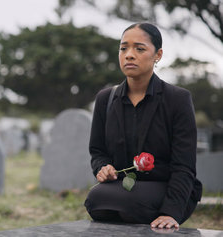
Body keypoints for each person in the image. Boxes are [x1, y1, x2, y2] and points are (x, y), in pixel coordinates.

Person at [84, 22, 202, 229]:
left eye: (139, 49)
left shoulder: (178, 99)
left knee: (131, 203)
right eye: (123, 48)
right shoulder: (106, 99)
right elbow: (97, 150)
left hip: (166, 188)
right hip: (122, 187)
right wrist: (103, 169)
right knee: (96, 198)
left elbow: (184, 165)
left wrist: (170, 212)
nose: (129, 55)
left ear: (158, 55)